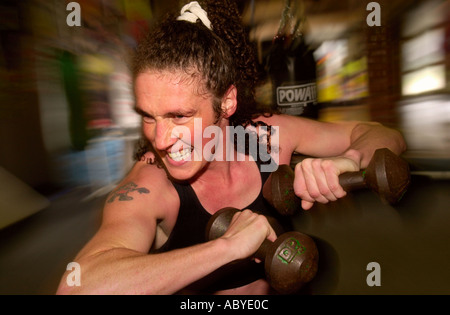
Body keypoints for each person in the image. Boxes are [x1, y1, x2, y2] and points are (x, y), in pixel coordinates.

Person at [56, 0, 406, 295]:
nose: (160, 139)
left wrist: (350, 159)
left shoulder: (267, 138)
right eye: (149, 116)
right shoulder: (150, 185)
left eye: (179, 115)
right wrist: (225, 249)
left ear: (226, 103)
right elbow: (76, 287)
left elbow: (380, 133)